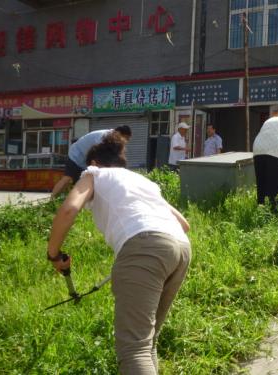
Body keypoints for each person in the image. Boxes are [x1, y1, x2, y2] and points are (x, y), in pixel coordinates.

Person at [46, 132, 191, 375]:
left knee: (134, 349)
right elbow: (184, 224)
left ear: (93, 163)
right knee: (146, 341)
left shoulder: (94, 174)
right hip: (180, 248)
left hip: (145, 248)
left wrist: (53, 254)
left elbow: (69, 209)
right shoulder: (141, 181)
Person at [51, 126, 132, 197]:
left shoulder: (113, 139)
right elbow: (97, 155)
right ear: (119, 134)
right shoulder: (105, 137)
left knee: (82, 183)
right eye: (126, 138)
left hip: (86, 161)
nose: (126, 141)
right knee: (67, 179)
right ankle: (51, 201)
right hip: (76, 156)